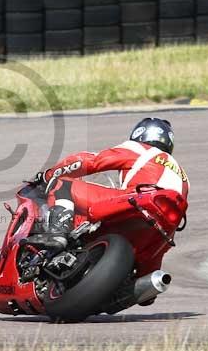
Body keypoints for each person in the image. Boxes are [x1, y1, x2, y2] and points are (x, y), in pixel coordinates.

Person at [25, 117, 189, 277]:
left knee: (62, 186)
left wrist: (49, 175)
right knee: (143, 280)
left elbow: (91, 161)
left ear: (140, 134)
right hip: (161, 234)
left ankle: (57, 234)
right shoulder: (183, 177)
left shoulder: (141, 149)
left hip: (136, 202)